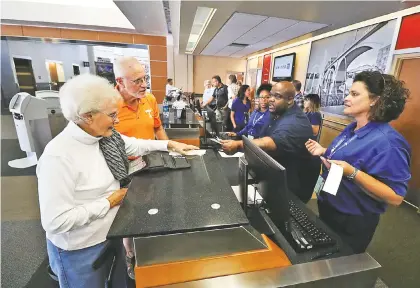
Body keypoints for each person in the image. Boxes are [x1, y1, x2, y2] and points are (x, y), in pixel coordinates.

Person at [37, 74, 198, 288]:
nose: (118, 120)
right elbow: (55, 221)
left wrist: (169, 145)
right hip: (81, 249)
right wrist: (110, 201)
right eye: (112, 115)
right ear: (87, 116)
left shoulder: (105, 136)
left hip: (112, 232)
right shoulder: (59, 156)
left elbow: (132, 144)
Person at [305, 71, 411, 253]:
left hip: (351, 218)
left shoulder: (388, 143)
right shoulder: (353, 127)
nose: (346, 98)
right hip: (330, 204)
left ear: (375, 100)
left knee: (341, 267)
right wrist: (323, 151)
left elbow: (395, 197)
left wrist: (352, 172)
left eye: (354, 94)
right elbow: (347, 156)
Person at [222, 81, 321, 203]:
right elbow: (263, 135)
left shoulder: (296, 121)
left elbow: (269, 142)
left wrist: (238, 145)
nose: (270, 100)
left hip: (292, 185)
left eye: (277, 96)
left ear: (290, 99)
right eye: (271, 95)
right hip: (273, 174)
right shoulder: (276, 112)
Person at [114, 57, 168, 140]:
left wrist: (169, 148)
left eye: (145, 78)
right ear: (120, 81)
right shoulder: (107, 106)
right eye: (137, 81)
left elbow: (158, 128)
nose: (144, 85)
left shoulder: (150, 99)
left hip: (151, 153)